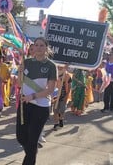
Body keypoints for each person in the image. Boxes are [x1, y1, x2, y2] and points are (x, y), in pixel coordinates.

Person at [16, 37, 57, 165]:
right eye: (36, 45)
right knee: (21, 137)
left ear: (46, 48)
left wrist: (32, 96)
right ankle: (32, 152)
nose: (38, 48)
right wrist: (20, 72)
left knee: (33, 139)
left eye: (41, 45)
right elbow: (19, 84)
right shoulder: (27, 62)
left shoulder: (51, 66)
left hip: (41, 106)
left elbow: (50, 90)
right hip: (25, 105)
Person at [52, 65, 72, 131]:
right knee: (55, 110)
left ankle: (61, 119)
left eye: (61, 67)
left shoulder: (67, 76)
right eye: (58, 66)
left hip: (64, 95)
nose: (59, 68)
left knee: (62, 110)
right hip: (56, 96)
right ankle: (55, 123)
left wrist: (66, 96)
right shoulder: (54, 74)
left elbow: (69, 87)